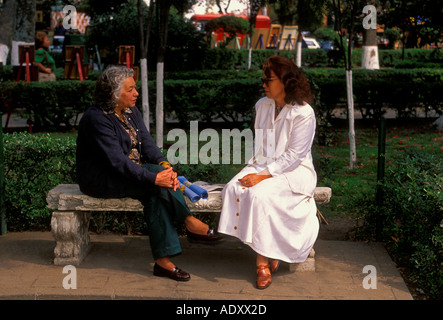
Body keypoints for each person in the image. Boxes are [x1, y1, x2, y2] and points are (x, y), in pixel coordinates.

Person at [76, 66, 222, 282]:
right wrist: (155, 176)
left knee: (156, 191)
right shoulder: (96, 118)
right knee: (156, 182)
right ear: (114, 94)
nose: (136, 93)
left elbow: (149, 145)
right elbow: (117, 162)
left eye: (135, 88)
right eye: (131, 89)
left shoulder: (131, 111)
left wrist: (163, 165)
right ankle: (189, 220)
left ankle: (163, 263)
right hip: (102, 179)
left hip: (133, 175)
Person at [217, 56, 319, 289]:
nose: (264, 84)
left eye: (269, 79)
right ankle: (272, 250)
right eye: (263, 79)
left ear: (286, 82)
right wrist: (254, 170)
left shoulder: (304, 113)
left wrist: (262, 176)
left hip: (296, 171)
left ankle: (261, 262)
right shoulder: (262, 105)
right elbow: (263, 147)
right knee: (234, 188)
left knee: (259, 195)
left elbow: (294, 156)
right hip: (265, 164)